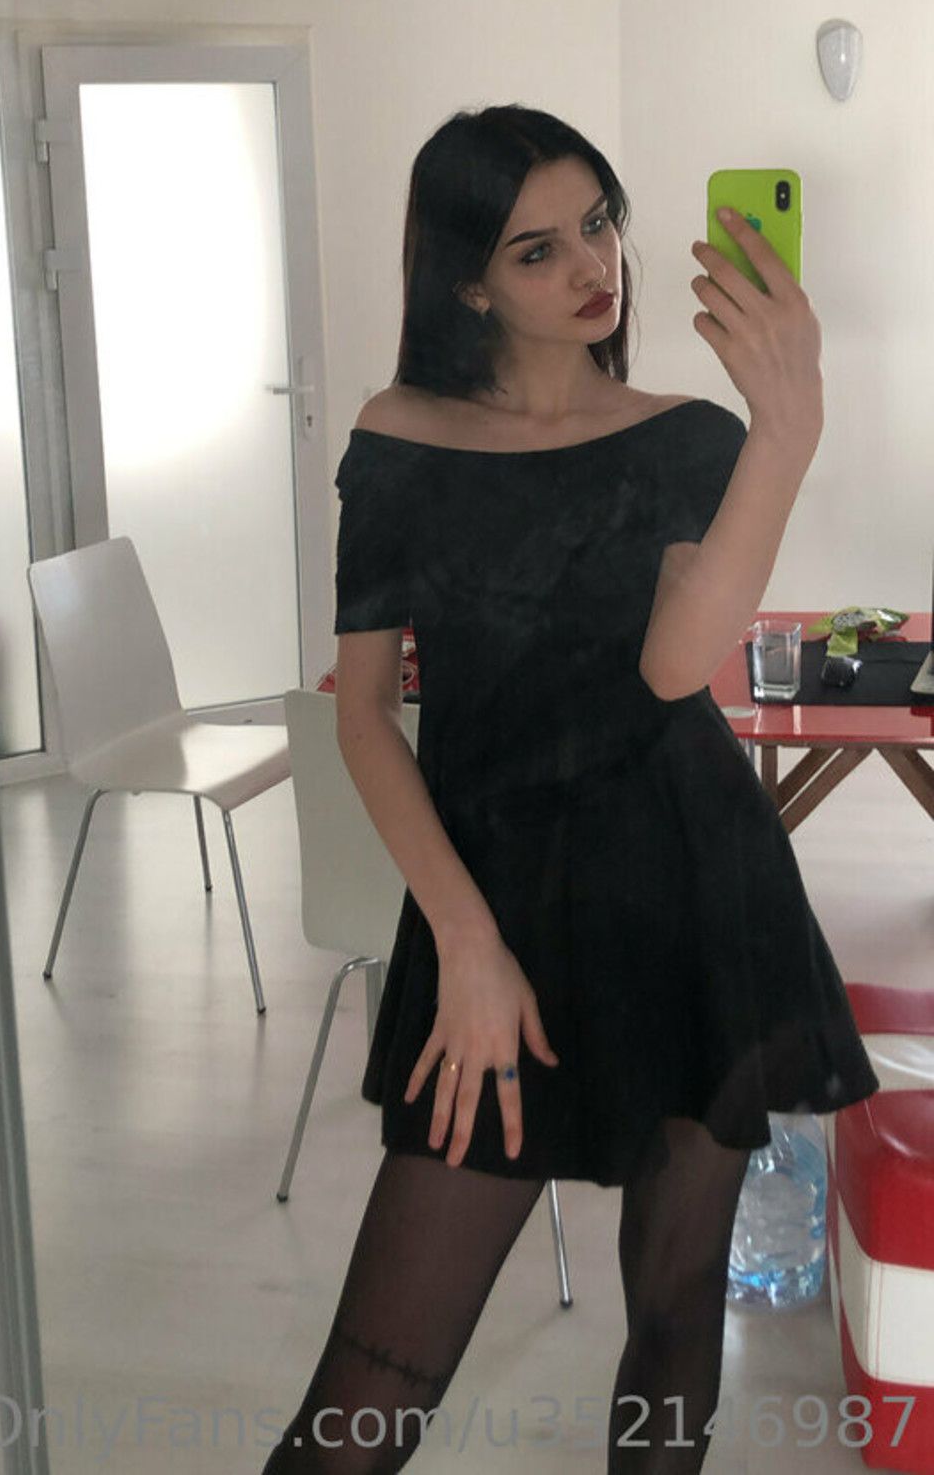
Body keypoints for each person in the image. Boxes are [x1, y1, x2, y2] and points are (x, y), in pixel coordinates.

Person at [263, 106, 878, 1472]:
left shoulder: (684, 437)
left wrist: (786, 430)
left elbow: (675, 669)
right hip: (494, 905)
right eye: (536, 249)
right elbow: (363, 716)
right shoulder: (401, 437)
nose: (593, 267)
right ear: (470, 283)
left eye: (597, 224)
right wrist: (466, 944)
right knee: (367, 1395)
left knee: (674, 1308)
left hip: (692, 892)